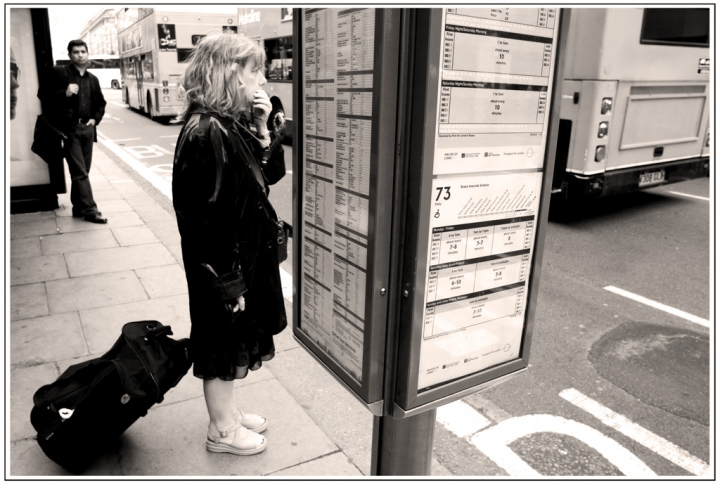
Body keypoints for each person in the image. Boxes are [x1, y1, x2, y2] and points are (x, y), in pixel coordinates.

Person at [172, 32, 287, 456]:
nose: (262, 78)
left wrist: (261, 128)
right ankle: (221, 431)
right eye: (254, 69)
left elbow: (266, 178)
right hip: (221, 264)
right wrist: (228, 283)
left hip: (239, 258)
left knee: (234, 338)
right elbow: (207, 220)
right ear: (229, 73)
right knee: (221, 343)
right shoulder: (206, 131)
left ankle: (229, 415)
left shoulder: (227, 123)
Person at [38, 40, 108, 223]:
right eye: (76, 52)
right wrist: (64, 92)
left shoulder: (93, 79)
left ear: (87, 53)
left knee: (83, 171)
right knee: (80, 172)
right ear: (69, 55)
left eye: (83, 51)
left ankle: (78, 207)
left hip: (88, 129)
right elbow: (43, 95)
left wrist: (95, 119)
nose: (80, 55)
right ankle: (90, 210)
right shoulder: (60, 74)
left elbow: (101, 103)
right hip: (70, 130)